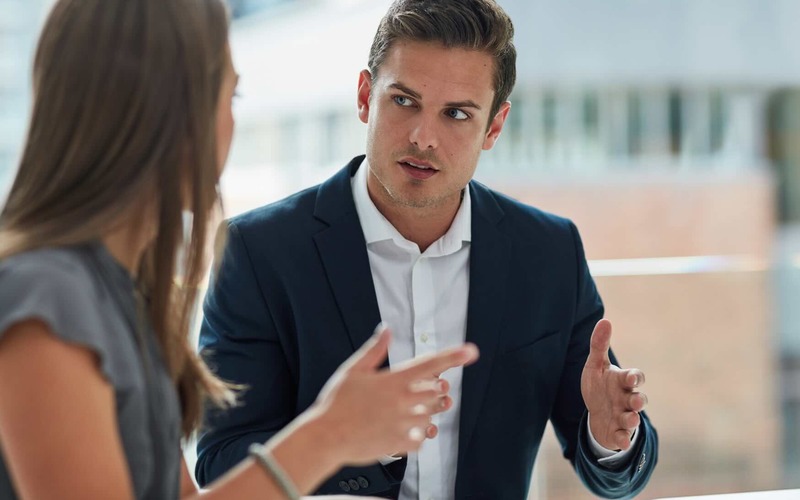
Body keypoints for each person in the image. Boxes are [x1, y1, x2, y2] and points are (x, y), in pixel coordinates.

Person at [0, 1, 481, 499]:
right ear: (162, 113)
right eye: (230, 95)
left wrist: (334, 434)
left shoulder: (118, 295)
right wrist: (327, 435)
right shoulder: (46, 297)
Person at [195, 0, 659, 498]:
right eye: (404, 102)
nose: (423, 137)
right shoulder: (257, 252)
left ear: (494, 127)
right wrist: (351, 435)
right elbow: (220, 465)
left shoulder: (547, 253)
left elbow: (610, 472)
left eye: (456, 114)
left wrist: (613, 439)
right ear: (364, 96)